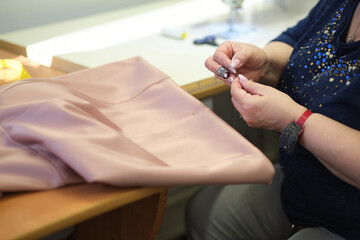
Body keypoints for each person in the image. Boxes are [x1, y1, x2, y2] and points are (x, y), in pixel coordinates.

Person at [186, 0, 360, 239]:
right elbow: (296, 39)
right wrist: (265, 63)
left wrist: (295, 121)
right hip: (299, 193)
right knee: (204, 210)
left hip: (349, 221)